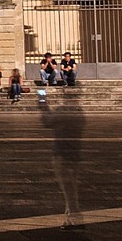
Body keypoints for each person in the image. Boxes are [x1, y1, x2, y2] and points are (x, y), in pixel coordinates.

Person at [39, 90, 85, 226]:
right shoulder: (80, 113)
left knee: (67, 187)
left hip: (61, 153)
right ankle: (69, 219)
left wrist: (42, 100)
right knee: (71, 186)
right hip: (75, 153)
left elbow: (46, 121)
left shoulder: (63, 113)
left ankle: (75, 217)